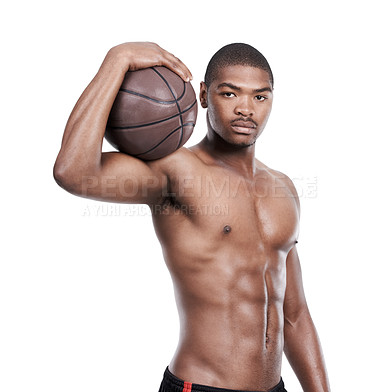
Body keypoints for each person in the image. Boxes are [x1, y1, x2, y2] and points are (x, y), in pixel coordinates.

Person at [53, 42, 330, 392]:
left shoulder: (283, 188)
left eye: (260, 97)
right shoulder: (177, 170)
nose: (246, 109)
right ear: (203, 95)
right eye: (230, 94)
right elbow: (72, 172)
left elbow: (294, 315)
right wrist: (117, 60)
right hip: (200, 386)